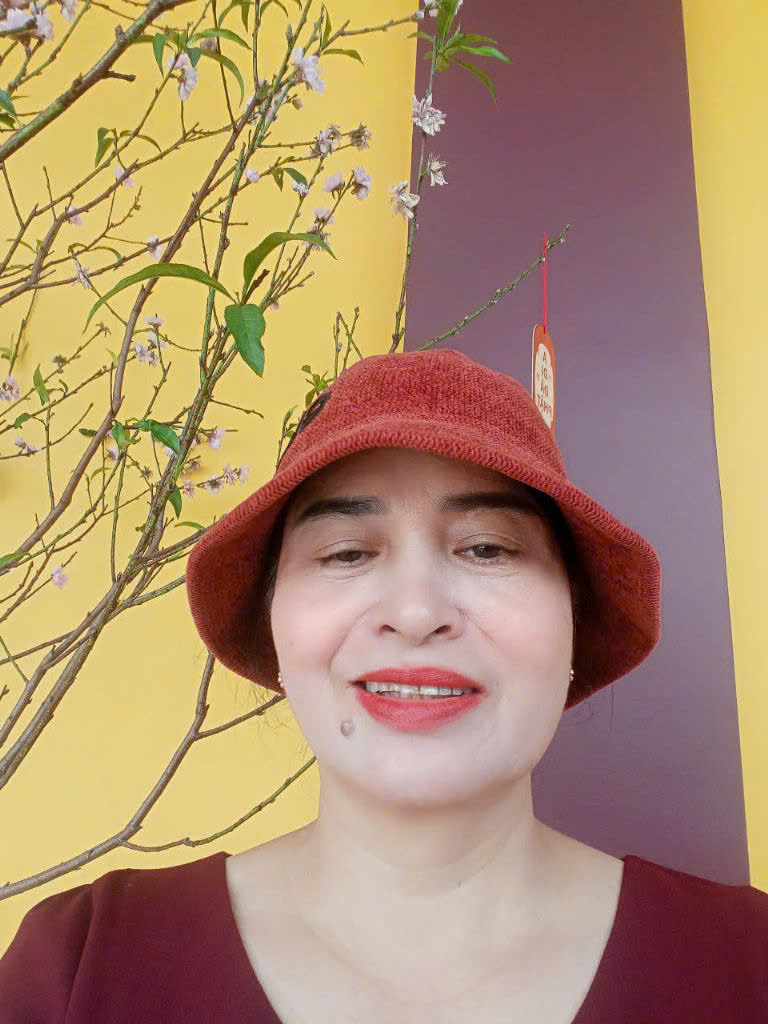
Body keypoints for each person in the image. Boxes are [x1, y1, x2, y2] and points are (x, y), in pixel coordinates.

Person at [1, 347, 767, 1022]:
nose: (416, 612)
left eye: (488, 549)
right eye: (345, 553)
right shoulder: (80, 967)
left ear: (574, 616)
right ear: (273, 623)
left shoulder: (747, 964)